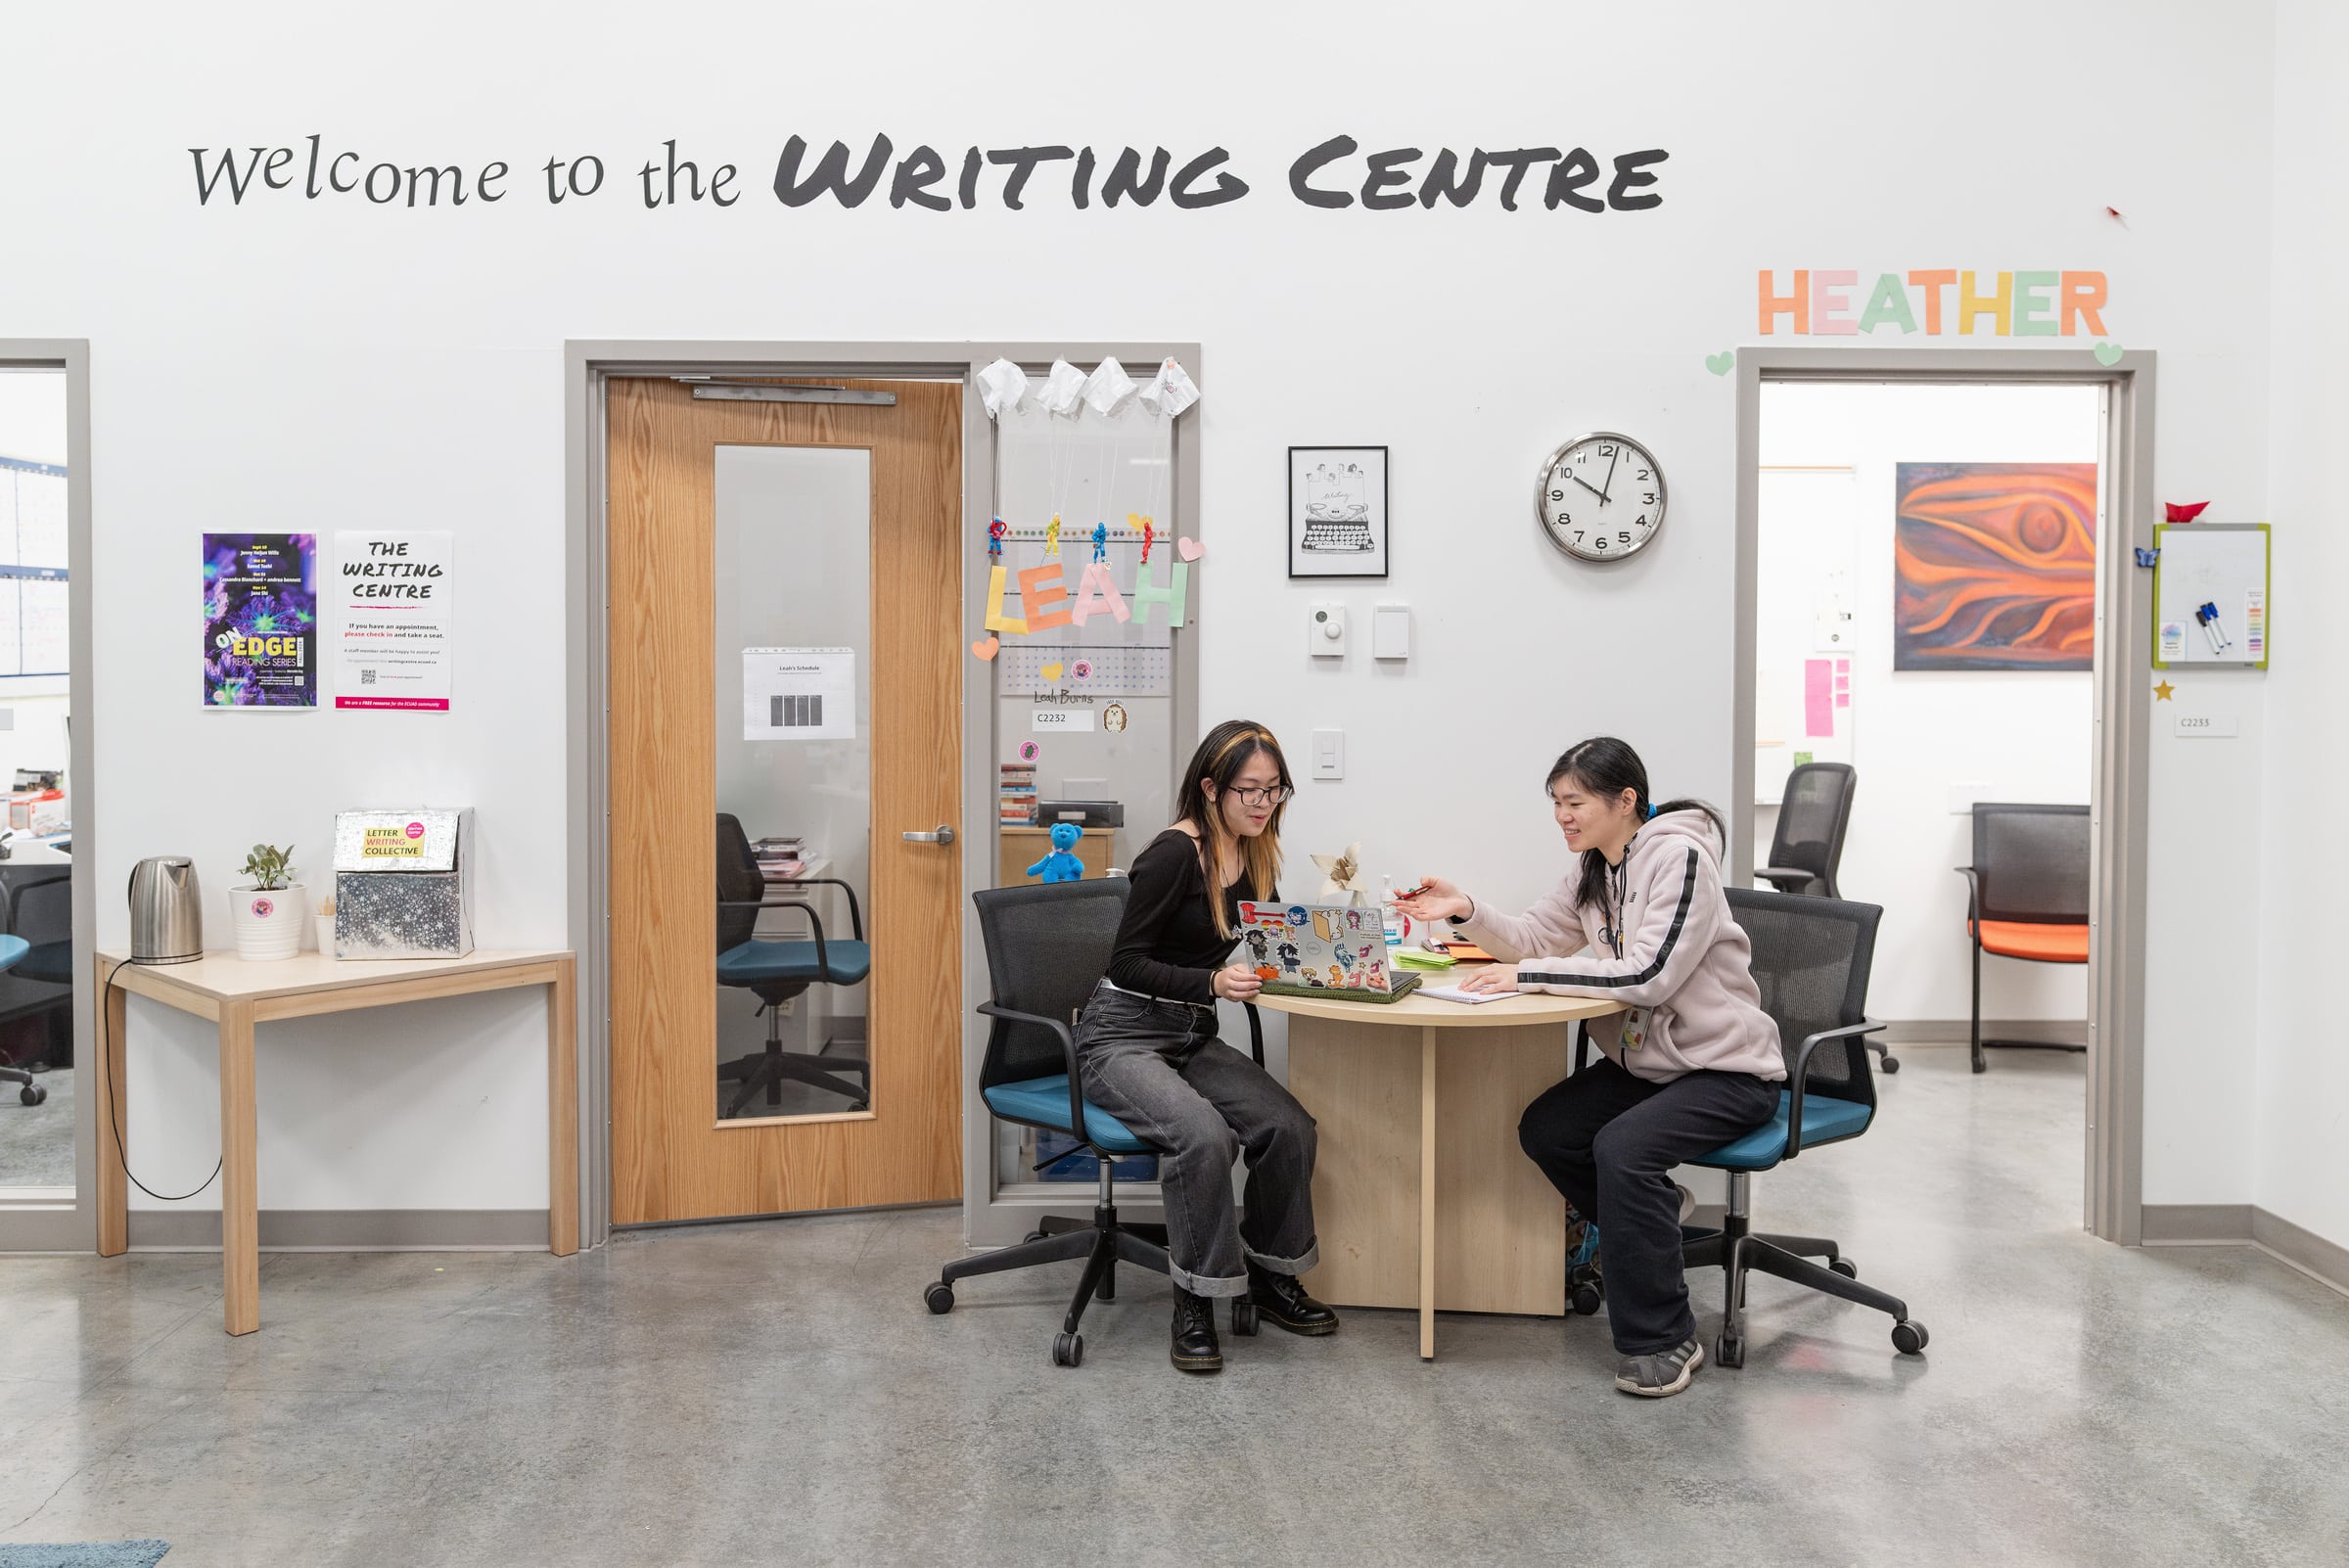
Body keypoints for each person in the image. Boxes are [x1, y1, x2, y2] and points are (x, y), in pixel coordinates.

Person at [1395, 736, 1782, 1399]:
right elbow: (1531, 938)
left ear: (1625, 800)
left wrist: (1526, 977)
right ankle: (1650, 1214)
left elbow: (1650, 975)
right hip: (1650, 1067)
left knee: (1622, 1150)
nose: (1562, 816)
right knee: (1548, 1129)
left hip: (1726, 1071)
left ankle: (1664, 1338)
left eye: (1574, 802)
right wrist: (1463, 910)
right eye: (1556, 803)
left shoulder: (1679, 856)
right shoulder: (1595, 867)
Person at [1073, 719, 1336, 1373]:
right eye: (1250, 790)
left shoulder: (1256, 851)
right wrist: (1213, 980)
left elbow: (1267, 936)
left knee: (1288, 1127)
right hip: (1122, 1035)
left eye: (1275, 790)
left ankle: (1272, 1277)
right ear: (1211, 788)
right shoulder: (1171, 855)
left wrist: (1331, 953)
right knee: (1203, 1137)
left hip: (1188, 1032)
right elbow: (1127, 964)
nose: (1263, 804)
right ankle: (1195, 1298)